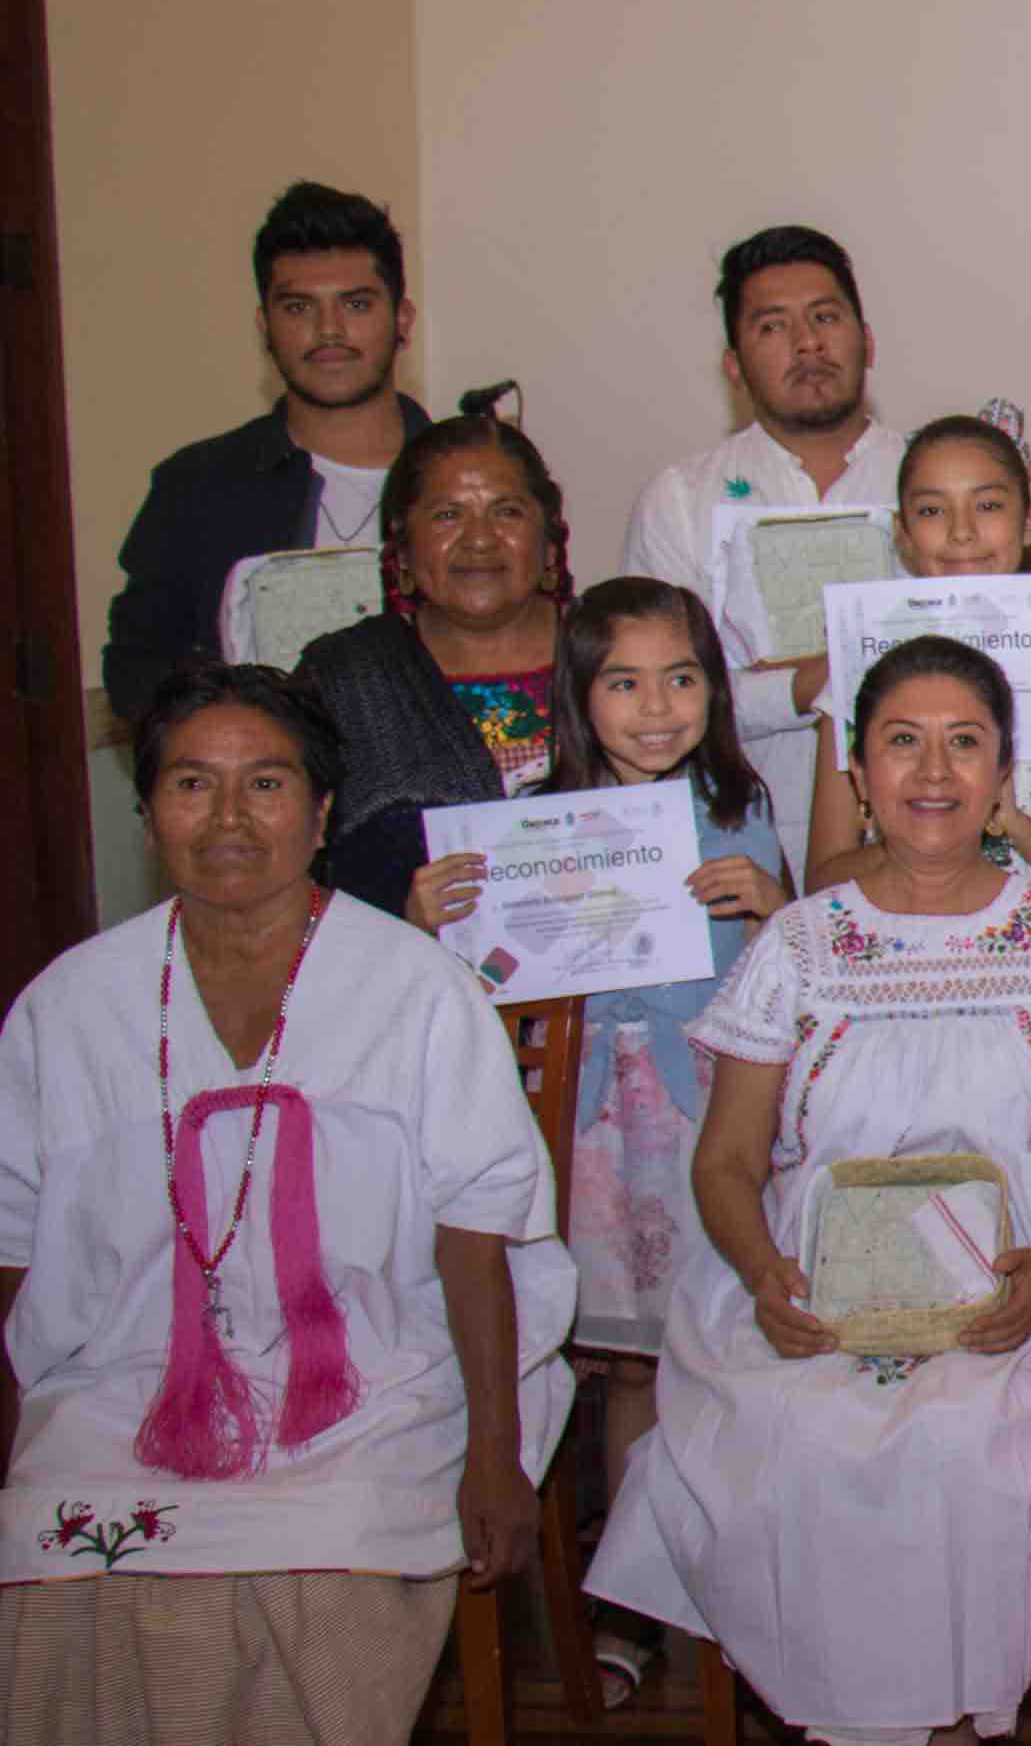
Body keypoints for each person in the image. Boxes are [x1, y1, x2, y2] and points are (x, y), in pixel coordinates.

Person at [587, 637, 1031, 1743]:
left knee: (973, 1447)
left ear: (1004, 772)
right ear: (855, 771)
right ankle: (854, 1720)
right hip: (811, 1288)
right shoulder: (799, 944)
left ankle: (955, 1719)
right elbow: (726, 1160)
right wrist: (764, 1277)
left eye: (964, 744)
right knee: (798, 1442)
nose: (933, 773)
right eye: (902, 742)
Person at [0, 665, 574, 1743]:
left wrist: (494, 1456)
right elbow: (15, 1245)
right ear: (149, 812)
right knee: (53, 1544)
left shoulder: (415, 985)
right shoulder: (70, 1003)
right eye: (191, 783)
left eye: (265, 784)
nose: (228, 817)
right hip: (121, 1388)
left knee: (327, 1552)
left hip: (374, 1387)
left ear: (320, 814)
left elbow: (479, 1234)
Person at [398, 577, 791, 1706]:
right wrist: (427, 921)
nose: (656, 708)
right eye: (623, 682)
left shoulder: (738, 804)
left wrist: (774, 902)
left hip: (709, 1122)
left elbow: (796, 967)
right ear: (579, 694)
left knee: (723, 1358)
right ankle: (629, 1606)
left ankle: (737, 1603)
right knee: (626, 1368)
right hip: (589, 1131)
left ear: (714, 690)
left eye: (681, 678)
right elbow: (461, 988)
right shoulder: (525, 815)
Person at [621, 225, 904, 880]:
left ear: (867, 341)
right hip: (733, 855)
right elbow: (652, 704)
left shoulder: (936, 484)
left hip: (924, 851)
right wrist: (808, 685)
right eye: (773, 326)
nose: (807, 343)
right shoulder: (680, 499)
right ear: (733, 367)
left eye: (825, 317)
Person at [104, 181, 433, 720]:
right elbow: (135, 677)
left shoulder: (471, 481)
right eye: (298, 307)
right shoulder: (195, 487)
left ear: (402, 320)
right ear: (265, 326)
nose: (329, 330)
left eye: (355, 304)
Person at [802, 415, 1031, 921]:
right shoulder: (855, 678)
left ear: (1030, 521)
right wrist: (928, 831)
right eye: (931, 510)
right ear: (902, 532)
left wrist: (1011, 821)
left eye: (987, 505)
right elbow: (822, 880)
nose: (962, 532)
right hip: (901, 949)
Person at [296, 411, 573, 916]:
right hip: (393, 965)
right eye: (447, 514)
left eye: (507, 511)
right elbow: (290, 878)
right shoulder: (343, 678)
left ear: (550, 540)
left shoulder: (622, 654)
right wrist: (398, 918)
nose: (479, 539)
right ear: (401, 547)